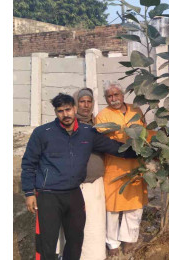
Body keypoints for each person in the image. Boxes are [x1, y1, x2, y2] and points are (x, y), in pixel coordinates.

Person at [21, 93, 136, 260]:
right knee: (48, 241)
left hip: (74, 193)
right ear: (55, 112)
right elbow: (28, 163)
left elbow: (113, 147)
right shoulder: (42, 133)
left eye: (68, 109)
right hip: (48, 195)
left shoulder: (87, 132)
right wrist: (29, 193)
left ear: (74, 109)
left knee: (75, 240)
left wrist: (142, 152)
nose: (65, 114)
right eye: (60, 111)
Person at [95, 82, 149, 256]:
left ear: (123, 95)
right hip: (114, 166)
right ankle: (112, 243)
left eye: (116, 94)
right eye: (110, 96)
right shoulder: (103, 116)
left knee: (134, 204)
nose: (113, 99)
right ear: (106, 99)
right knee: (111, 207)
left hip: (136, 165)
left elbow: (145, 132)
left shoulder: (136, 110)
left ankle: (129, 239)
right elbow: (103, 142)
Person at [55, 88, 107, 260]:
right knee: (73, 225)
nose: (86, 105)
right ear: (76, 105)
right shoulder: (66, 125)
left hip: (95, 185)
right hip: (73, 185)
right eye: (82, 101)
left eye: (89, 101)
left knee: (94, 224)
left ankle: (94, 256)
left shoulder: (98, 124)